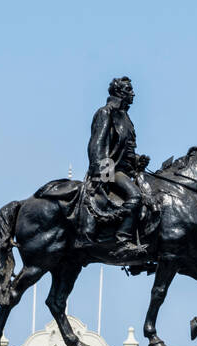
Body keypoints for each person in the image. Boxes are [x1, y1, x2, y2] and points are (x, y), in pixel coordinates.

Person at [85, 76, 151, 254]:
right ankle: (123, 241)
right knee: (135, 196)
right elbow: (97, 147)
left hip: (124, 170)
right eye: (129, 90)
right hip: (110, 171)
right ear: (119, 92)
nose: (133, 94)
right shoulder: (106, 113)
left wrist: (137, 161)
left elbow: (125, 150)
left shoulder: (125, 117)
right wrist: (104, 177)